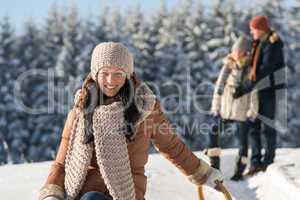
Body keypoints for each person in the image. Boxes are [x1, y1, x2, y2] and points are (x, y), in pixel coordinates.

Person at [38, 42, 223, 200]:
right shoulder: (81, 111)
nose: (111, 80)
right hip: (81, 192)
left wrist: (203, 173)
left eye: (118, 73)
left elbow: (172, 146)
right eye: (105, 73)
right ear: (95, 74)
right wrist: (52, 193)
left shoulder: (145, 109)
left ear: (128, 75)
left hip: (127, 192)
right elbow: (61, 164)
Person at [233, 16, 286, 175]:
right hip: (258, 91)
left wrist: (245, 88)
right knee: (254, 126)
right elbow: (251, 66)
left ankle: (268, 161)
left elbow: (265, 70)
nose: (251, 32)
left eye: (254, 29)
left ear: (261, 29)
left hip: (271, 90)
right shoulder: (257, 43)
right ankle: (255, 161)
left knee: (268, 126)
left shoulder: (272, 44)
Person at [209, 35, 259, 181]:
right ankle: (214, 167)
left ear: (245, 53)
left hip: (242, 112)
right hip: (225, 111)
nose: (237, 53)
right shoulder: (227, 67)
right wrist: (215, 108)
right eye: (236, 50)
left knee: (242, 142)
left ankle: (239, 171)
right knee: (212, 133)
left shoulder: (251, 70)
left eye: (240, 51)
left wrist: (252, 112)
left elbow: (254, 92)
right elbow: (218, 89)